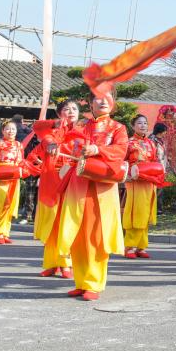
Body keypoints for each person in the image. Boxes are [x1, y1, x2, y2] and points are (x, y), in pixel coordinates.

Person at [57, 91, 128, 300]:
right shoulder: (80, 126)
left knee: (96, 234)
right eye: (98, 97)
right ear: (90, 103)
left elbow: (121, 150)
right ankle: (81, 282)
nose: (103, 101)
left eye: (107, 97)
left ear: (113, 102)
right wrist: (53, 145)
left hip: (102, 185)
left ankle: (93, 283)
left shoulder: (118, 128)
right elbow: (66, 143)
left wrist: (98, 149)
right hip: (79, 182)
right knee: (78, 233)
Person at [26, 98, 81, 278]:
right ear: (59, 113)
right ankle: (51, 263)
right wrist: (54, 126)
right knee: (52, 222)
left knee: (67, 221)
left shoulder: (83, 131)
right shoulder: (50, 132)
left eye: (74, 109)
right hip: (52, 180)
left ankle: (66, 263)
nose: (71, 112)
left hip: (72, 180)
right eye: (66, 109)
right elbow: (37, 127)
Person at [122, 114, 161, 259]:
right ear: (133, 126)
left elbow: (155, 160)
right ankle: (129, 246)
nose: (143, 125)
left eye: (145, 123)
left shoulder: (151, 143)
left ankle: (141, 246)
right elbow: (122, 161)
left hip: (149, 181)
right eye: (139, 123)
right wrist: (127, 174)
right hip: (135, 181)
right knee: (135, 212)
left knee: (146, 212)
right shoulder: (129, 143)